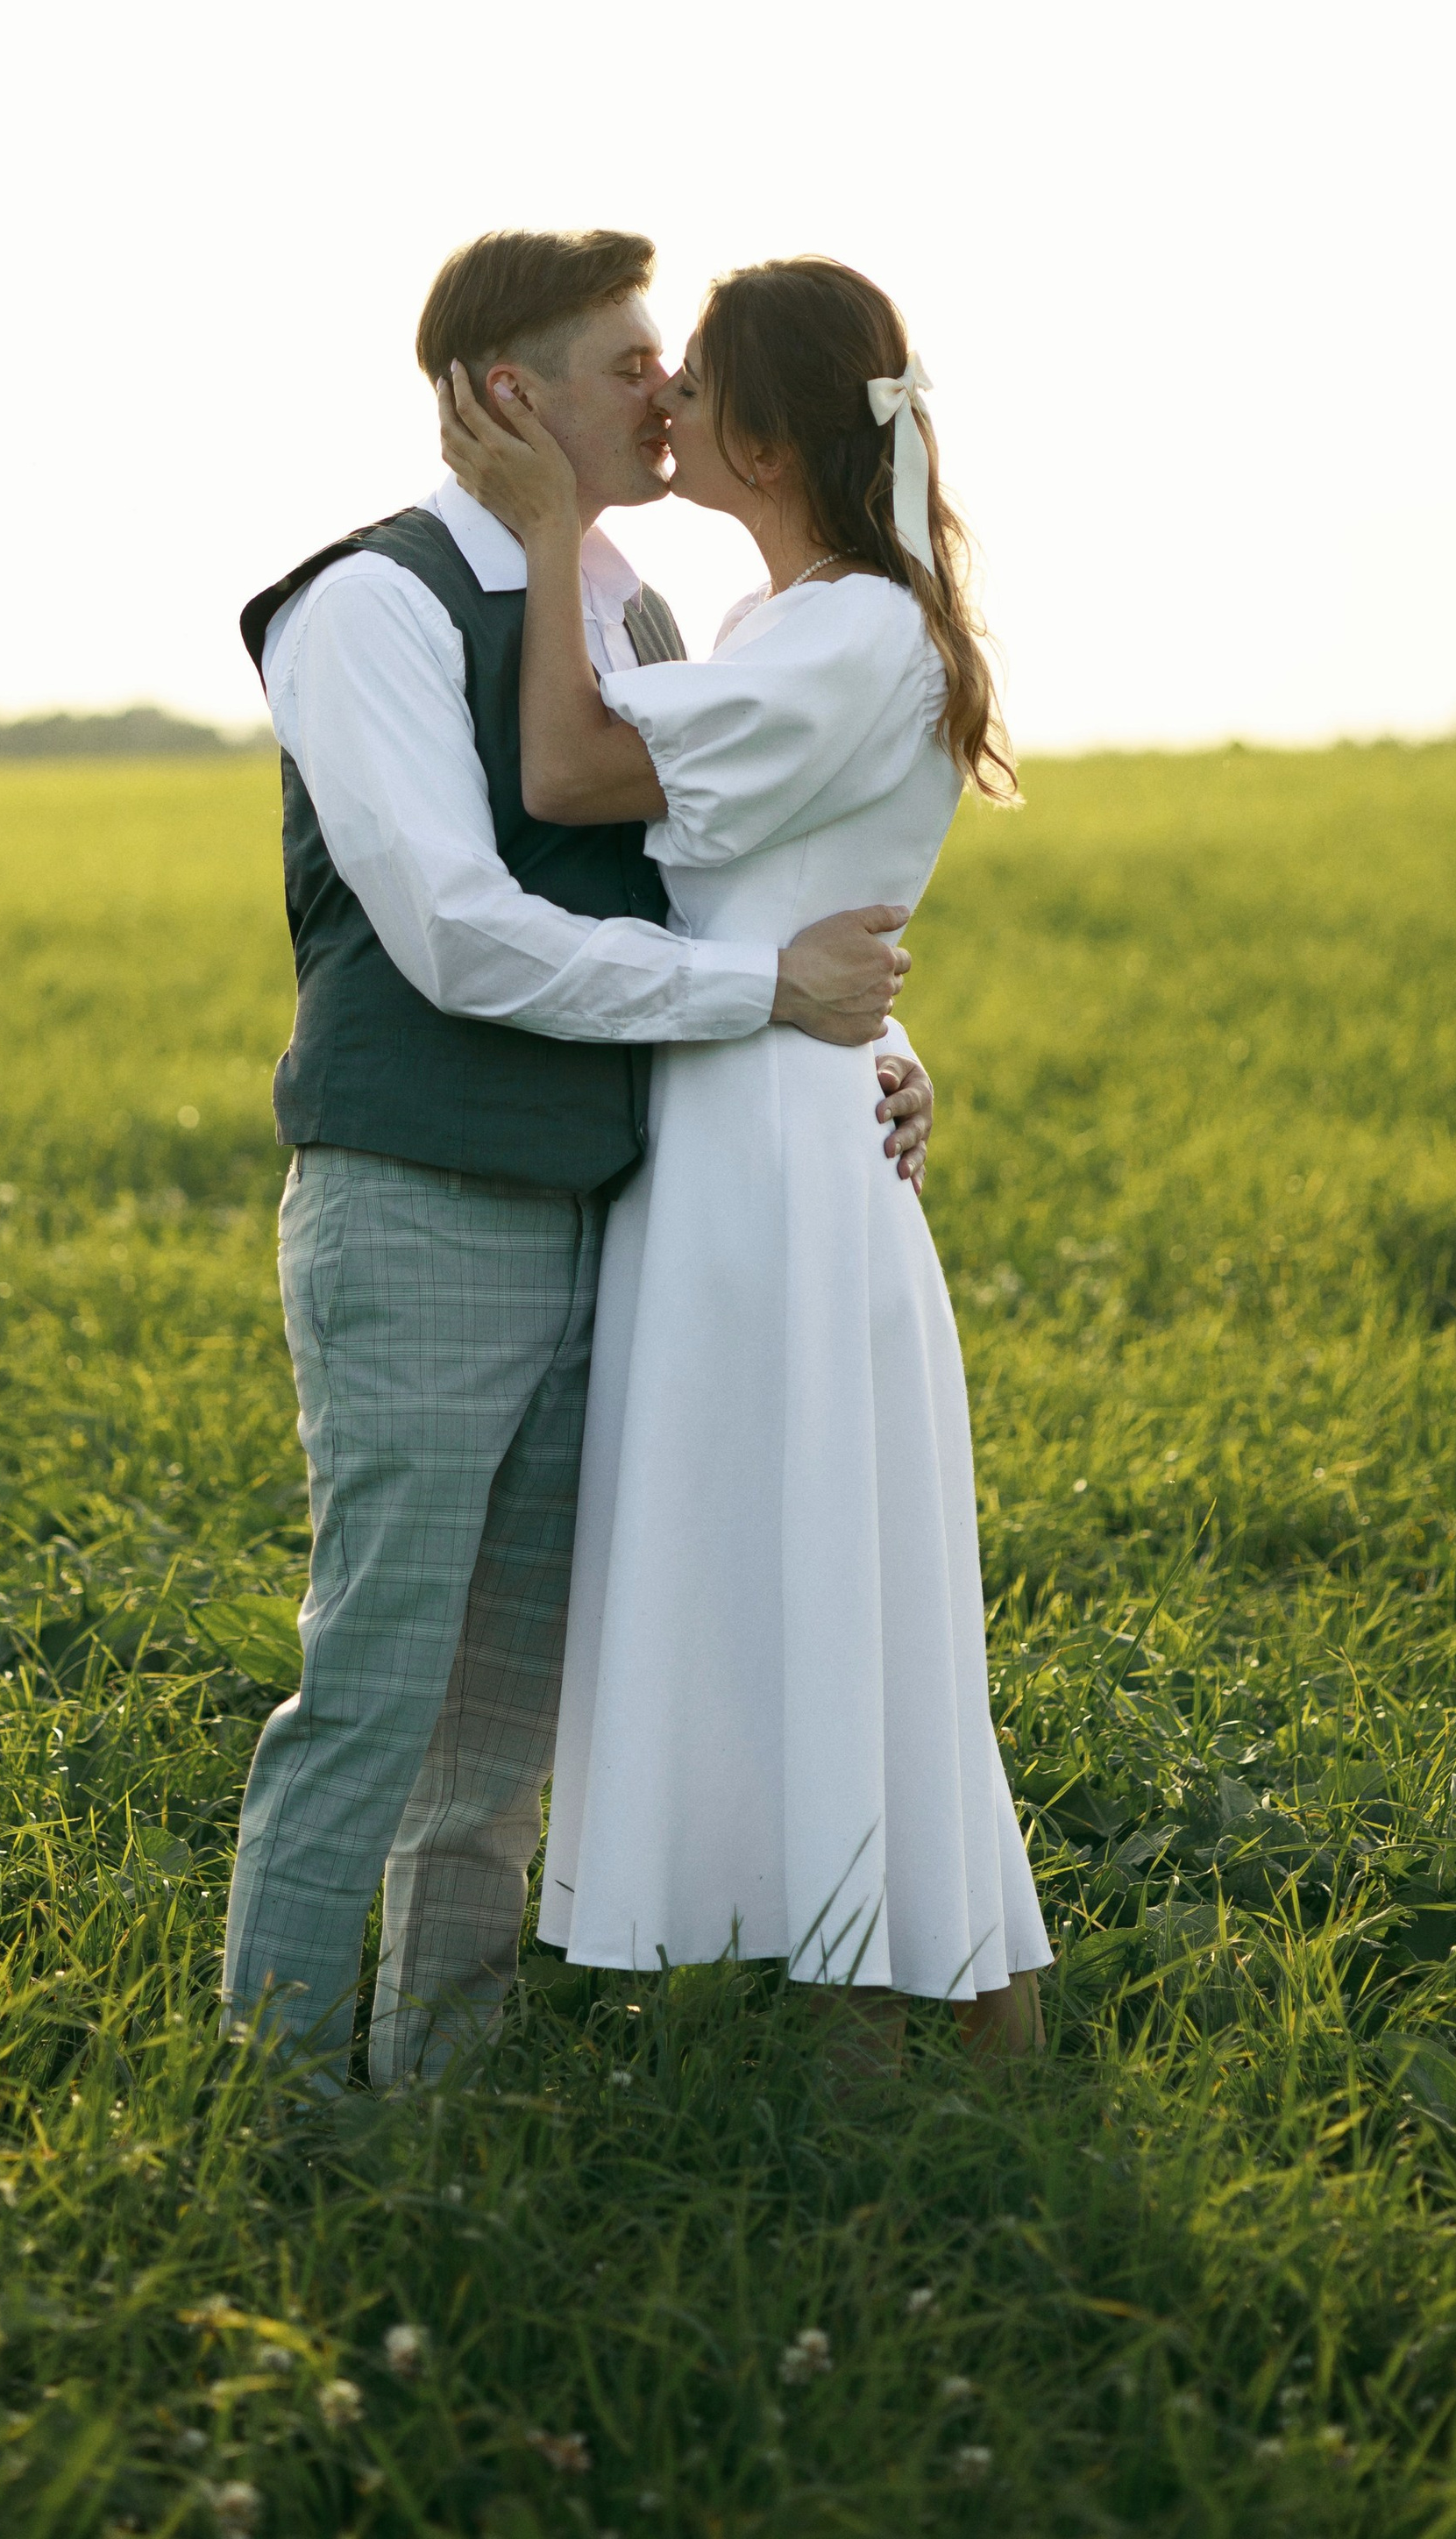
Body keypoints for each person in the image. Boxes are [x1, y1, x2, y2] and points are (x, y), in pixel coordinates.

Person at [224, 229, 939, 2090]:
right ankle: (281, 2110)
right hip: (421, 1200)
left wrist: (871, 1036)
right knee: (376, 1694)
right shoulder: (365, 609)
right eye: (629, 361)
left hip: (611, 1226)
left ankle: (435, 2117)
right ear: (505, 394)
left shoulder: (626, 613)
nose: (666, 393)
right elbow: (455, 930)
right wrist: (760, 994)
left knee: (492, 1747)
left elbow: (740, 887)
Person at [439, 254, 1048, 2064]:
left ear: (772, 434)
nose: (667, 407)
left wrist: (546, 531)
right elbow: (821, 906)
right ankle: (875, 2013)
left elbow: (561, 771)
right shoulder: (816, 627)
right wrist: (889, 1036)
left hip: (767, 1155)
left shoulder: (840, 626)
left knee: (812, 1563)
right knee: (799, 1563)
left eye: (694, 382)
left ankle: (872, 2026)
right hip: (762, 1120)